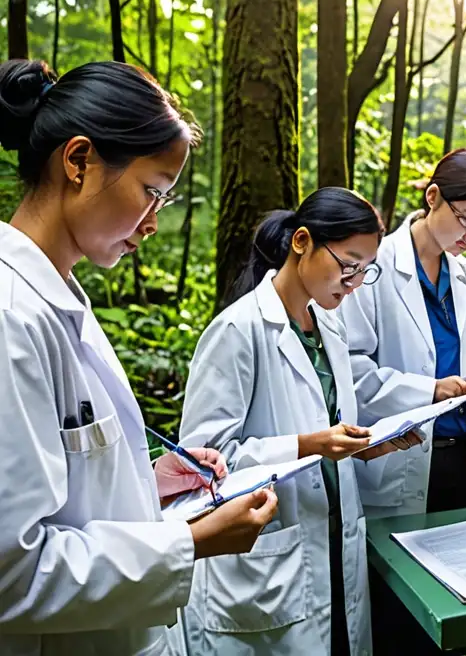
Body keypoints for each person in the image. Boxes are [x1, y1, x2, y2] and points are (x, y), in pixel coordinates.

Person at [0, 59, 277, 656]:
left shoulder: (58, 295)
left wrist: (144, 484)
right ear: (78, 161)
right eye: (151, 191)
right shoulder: (10, 318)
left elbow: (64, 491)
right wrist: (190, 542)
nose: (153, 223)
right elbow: (10, 572)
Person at [177, 187, 418, 655]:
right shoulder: (236, 331)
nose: (353, 282)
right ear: (302, 241)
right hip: (270, 551)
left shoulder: (329, 325)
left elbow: (330, 426)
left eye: (365, 271)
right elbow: (203, 463)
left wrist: (369, 446)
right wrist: (309, 445)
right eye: (347, 265)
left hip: (333, 542)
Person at [342, 147, 466, 518]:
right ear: (432, 196)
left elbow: (459, 366)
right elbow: (349, 373)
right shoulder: (373, 266)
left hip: (463, 460)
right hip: (400, 460)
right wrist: (430, 390)